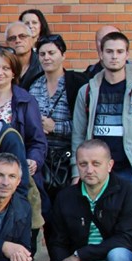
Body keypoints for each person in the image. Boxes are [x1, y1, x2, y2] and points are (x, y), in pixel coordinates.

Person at [71, 31, 132, 193]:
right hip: (96, 171)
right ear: (100, 54)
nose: (114, 56)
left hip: (131, 171)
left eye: (120, 52)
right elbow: (78, 134)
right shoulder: (87, 91)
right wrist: (77, 170)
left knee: (131, 218)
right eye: (109, 51)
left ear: (127, 54)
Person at [26, 34, 88, 201]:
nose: (47, 58)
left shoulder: (76, 83)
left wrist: (55, 127)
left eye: (51, 53)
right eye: (42, 54)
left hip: (67, 158)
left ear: (63, 55)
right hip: (40, 158)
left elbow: (85, 126)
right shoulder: (33, 84)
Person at [0, 47, 48, 195]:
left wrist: (33, 159)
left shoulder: (26, 100)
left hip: (14, 173)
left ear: (14, 72)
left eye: (6, 68)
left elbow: (37, 140)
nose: (0, 72)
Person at [5, 21, 42, 88]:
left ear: (31, 40)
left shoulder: (42, 64)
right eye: (12, 38)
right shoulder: (2, 67)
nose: (18, 41)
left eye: (22, 36)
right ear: (7, 43)